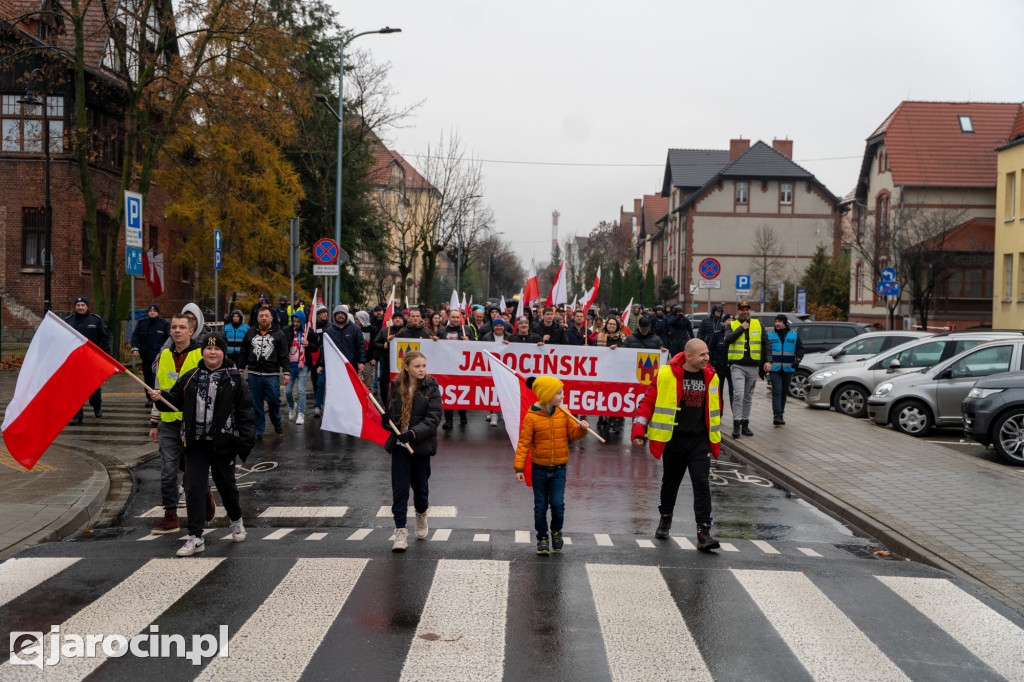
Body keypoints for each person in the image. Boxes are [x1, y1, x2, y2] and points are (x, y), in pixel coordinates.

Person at [148, 333, 256, 557]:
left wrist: (244, 443)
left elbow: (245, 412)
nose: (212, 352)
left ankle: (236, 520)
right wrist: (160, 398)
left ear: (223, 352)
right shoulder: (191, 377)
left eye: (217, 349)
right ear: (203, 351)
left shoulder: (234, 378)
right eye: (208, 348)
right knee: (194, 488)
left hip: (223, 444)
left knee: (226, 486)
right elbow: (174, 401)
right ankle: (196, 536)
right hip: (195, 443)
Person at [631, 338, 722, 551]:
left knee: (702, 483)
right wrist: (639, 430)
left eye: (707, 354)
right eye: (702, 355)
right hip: (674, 440)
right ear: (688, 356)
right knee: (671, 483)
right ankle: (665, 518)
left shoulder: (712, 376)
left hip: (699, 441)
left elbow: (716, 407)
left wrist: (714, 438)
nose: (707, 358)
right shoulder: (666, 374)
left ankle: (704, 533)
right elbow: (647, 402)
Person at [148, 313, 210, 534]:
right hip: (168, 424)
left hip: (192, 424)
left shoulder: (201, 355)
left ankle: (205, 494)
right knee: (168, 470)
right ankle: (170, 516)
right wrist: (154, 422)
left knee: (193, 471)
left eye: (182, 327)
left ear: (191, 331)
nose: (177, 330)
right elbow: (158, 389)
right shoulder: (163, 355)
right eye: (174, 327)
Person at [513, 376, 589, 555]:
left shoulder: (564, 413)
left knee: (557, 504)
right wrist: (519, 468)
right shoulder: (531, 417)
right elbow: (523, 443)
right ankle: (542, 537)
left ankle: (556, 531)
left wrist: (581, 429)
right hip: (539, 469)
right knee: (540, 506)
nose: (563, 396)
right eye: (559, 393)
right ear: (547, 395)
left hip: (559, 469)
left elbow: (573, 434)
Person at [383, 350, 443, 552]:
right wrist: (386, 421)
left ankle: (421, 514)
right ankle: (400, 531)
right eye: (417, 366)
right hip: (400, 448)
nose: (422, 370)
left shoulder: (431, 387)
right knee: (400, 490)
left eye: (424, 366)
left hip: (420, 447)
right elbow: (390, 414)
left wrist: (413, 433)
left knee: (420, 489)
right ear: (406, 367)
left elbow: (434, 417)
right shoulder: (395, 386)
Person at [723, 301, 772, 438]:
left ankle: (745, 423)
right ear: (738, 311)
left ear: (750, 311)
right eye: (742, 310)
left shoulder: (758, 324)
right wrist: (741, 328)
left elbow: (766, 343)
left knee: (748, 396)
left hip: (753, 366)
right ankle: (736, 424)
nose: (745, 312)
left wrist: (768, 360)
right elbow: (728, 339)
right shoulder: (731, 325)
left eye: (747, 309)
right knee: (738, 394)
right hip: (737, 365)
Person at [241, 307, 290, 440]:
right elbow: (244, 352)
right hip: (253, 374)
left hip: (272, 375)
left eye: (266, 316)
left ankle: (276, 421)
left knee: (274, 401)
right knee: (256, 404)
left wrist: (286, 372)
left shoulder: (279, 334)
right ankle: (259, 429)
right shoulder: (250, 333)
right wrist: (240, 368)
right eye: (261, 316)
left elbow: (284, 355)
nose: (264, 318)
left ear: (271, 318)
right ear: (257, 318)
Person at [66, 296, 110, 424]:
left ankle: (97, 405)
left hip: (92, 360)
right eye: (78, 305)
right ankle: (77, 416)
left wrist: (105, 356)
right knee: (75, 389)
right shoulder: (68, 321)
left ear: (87, 307)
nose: (80, 307)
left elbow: (104, 338)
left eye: (83, 305)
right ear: (75, 307)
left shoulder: (96, 320)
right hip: (75, 360)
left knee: (94, 389)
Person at [767, 314, 804, 426]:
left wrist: (797, 360)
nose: (777, 323)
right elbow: (766, 351)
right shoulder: (770, 335)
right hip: (774, 369)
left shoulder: (794, 335)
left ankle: (781, 414)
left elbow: (800, 349)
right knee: (777, 392)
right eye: (776, 321)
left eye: (779, 321)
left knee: (783, 393)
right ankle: (776, 415)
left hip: (788, 368)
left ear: (785, 323)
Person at [439, 309, 471, 429]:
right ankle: (449, 420)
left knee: (462, 392)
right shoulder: (442, 331)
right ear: (449, 318)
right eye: (453, 317)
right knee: (448, 394)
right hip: (446, 366)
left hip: (462, 366)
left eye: (458, 317)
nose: (456, 319)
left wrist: (469, 341)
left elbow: (476, 345)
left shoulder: (467, 330)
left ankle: (463, 415)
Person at [131, 304, 169, 405]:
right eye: (150, 311)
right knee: (147, 378)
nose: (152, 312)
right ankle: (149, 398)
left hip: (159, 357)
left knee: (156, 378)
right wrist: (135, 348)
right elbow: (135, 336)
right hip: (146, 356)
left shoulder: (164, 324)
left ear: (158, 313)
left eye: (154, 311)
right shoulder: (142, 323)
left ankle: (156, 398)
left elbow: (169, 339)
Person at [373, 312, 405, 408]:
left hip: (404, 365)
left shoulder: (406, 331)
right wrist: (384, 345)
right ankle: (387, 407)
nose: (398, 319)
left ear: (403, 320)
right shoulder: (385, 331)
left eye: (400, 318)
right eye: (396, 318)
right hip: (387, 364)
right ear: (392, 320)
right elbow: (375, 343)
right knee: (384, 387)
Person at [303, 305, 329, 417]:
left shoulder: (329, 327)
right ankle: (320, 401)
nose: (325, 314)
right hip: (313, 359)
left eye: (326, 312)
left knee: (321, 382)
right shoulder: (311, 327)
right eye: (322, 312)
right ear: (316, 315)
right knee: (314, 382)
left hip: (324, 359)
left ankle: (317, 405)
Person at [708, 313, 735, 414]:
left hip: (733, 368)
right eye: (728, 320)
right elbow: (710, 350)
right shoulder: (717, 335)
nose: (730, 322)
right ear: (723, 322)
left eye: (732, 320)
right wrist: (711, 364)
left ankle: (736, 416)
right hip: (719, 368)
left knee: (734, 393)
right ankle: (719, 414)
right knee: (718, 392)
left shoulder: (738, 335)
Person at [285, 311, 308, 424]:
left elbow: (315, 347)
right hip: (290, 366)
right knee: (287, 391)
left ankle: (301, 413)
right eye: (294, 321)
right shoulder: (287, 331)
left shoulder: (308, 332)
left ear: (302, 321)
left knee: (301, 391)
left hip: (303, 366)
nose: (296, 323)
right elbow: (283, 346)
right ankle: (292, 406)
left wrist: (309, 344)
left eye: (298, 321)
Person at [355, 310, 376, 389]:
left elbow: (374, 345)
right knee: (357, 384)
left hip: (368, 360)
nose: (356, 321)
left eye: (357, 319)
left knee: (368, 383)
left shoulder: (372, 329)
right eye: (355, 319)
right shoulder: (354, 329)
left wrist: (374, 358)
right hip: (357, 359)